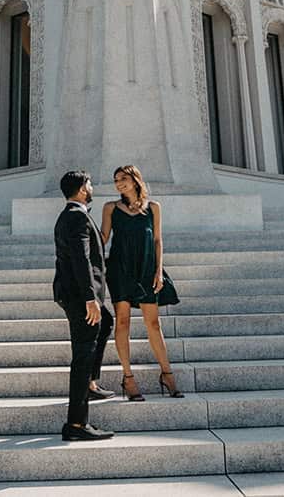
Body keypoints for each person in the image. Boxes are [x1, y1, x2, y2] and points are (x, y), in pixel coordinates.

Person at [101, 164, 182, 399]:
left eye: (123, 178)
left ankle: (167, 373)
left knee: (153, 323)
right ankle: (128, 378)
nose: (119, 183)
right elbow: (104, 238)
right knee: (123, 322)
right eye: (116, 180)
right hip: (120, 269)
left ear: (135, 180)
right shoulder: (110, 208)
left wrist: (158, 272)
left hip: (147, 269)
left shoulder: (154, 208)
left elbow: (158, 240)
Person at [52, 168, 116, 441]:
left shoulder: (71, 215)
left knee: (106, 323)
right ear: (81, 189)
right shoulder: (76, 217)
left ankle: (90, 382)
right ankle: (76, 424)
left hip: (77, 293)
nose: (91, 186)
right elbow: (81, 259)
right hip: (80, 296)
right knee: (82, 354)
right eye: (89, 183)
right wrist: (90, 298)